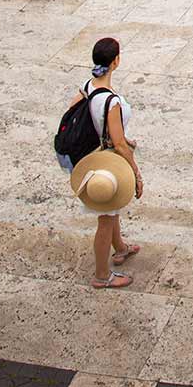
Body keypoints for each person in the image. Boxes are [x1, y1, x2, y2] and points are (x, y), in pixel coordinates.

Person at [69, 37, 144, 287]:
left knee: (112, 210)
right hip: (107, 162)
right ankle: (102, 276)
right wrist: (135, 172)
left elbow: (72, 116)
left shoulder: (87, 87)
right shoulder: (111, 102)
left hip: (91, 157)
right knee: (106, 217)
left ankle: (120, 247)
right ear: (116, 61)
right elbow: (119, 143)